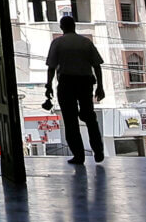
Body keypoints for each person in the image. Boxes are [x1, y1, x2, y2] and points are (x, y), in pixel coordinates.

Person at [43, 13, 109, 166]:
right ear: (74, 26)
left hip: (66, 84)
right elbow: (97, 66)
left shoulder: (58, 43)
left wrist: (48, 87)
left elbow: (51, 68)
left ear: (61, 27)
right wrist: (100, 86)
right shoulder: (85, 43)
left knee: (70, 120)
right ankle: (98, 150)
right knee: (90, 117)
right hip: (85, 83)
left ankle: (79, 155)